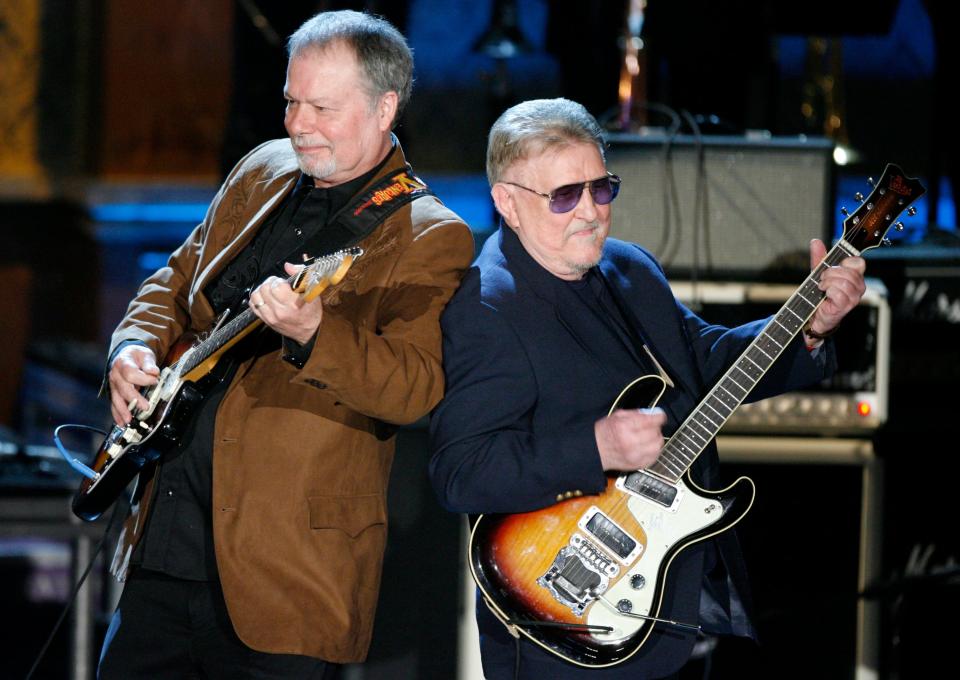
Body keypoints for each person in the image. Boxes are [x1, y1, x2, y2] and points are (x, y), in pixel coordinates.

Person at [428, 98, 866, 680]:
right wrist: (595, 449)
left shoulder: (628, 267)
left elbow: (705, 359)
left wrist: (810, 327)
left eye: (601, 188)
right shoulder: (489, 307)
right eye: (564, 196)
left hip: (668, 606)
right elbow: (460, 472)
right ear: (507, 202)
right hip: (558, 629)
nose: (590, 212)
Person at [97, 10, 474, 679]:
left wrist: (315, 333)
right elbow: (175, 279)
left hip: (286, 580)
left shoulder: (427, 234)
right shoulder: (263, 168)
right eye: (291, 101)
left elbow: (415, 387)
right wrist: (131, 347)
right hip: (163, 550)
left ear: (385, 107)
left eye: (322, 108)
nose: (298, 125)